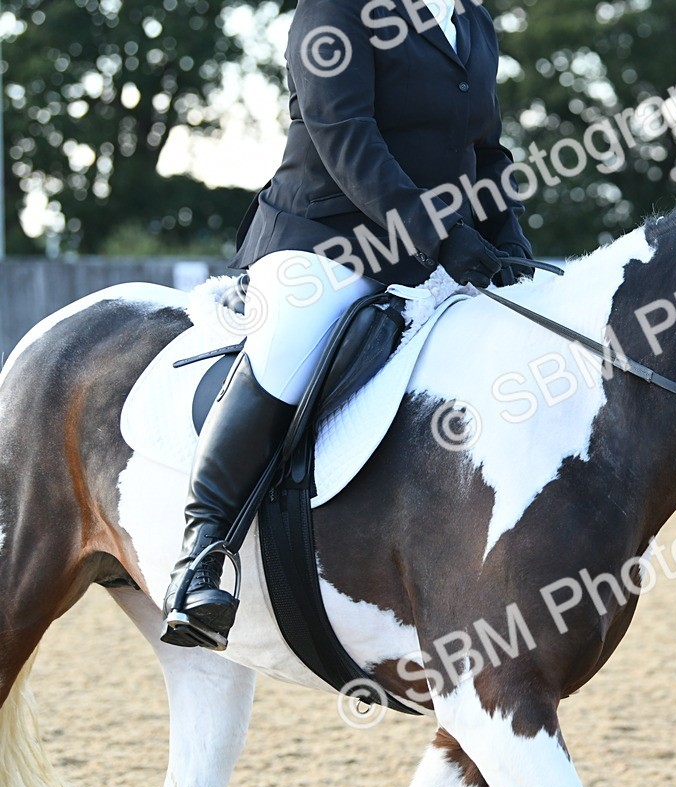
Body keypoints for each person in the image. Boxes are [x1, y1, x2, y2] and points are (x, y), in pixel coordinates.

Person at [161, 0, 533, 649]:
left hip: (433, 249)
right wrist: (439, 234)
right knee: (290, 341)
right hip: (326, 240)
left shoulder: (470, 20)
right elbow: (345, 135)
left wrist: (509, 235)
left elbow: (484, 149)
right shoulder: (335, 9)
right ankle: (202, 553)